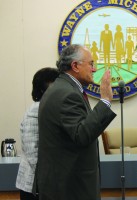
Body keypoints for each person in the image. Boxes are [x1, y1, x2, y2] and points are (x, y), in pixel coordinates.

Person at [36, 44, 116, 200]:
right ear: (75, 66)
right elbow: (82, 135)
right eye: (91, 64)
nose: (94, 69)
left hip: (67, 185)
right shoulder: (67, 94)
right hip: (70, 189)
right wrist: (105, 100)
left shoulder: (63, 88)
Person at [16, 67, 59, 200]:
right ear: (42, 89)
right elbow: (32, 151)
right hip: (34, 186)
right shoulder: (36, 109)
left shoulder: (51, 107)